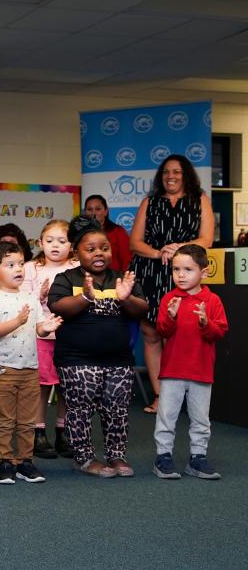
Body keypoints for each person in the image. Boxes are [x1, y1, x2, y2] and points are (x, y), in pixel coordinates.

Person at [47, 216, 148, 478]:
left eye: (104, 248)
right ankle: (84, 458)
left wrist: (125, 299)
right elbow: (58, 307)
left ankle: (116, 456)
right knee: (80, 410)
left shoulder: (120, 279)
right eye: (90, 249)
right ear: (76, 252)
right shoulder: (66, 278)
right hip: (77, 360)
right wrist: (84, 297)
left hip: (118, 360)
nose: (99, 253)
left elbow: (142, 309)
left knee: (117, 410)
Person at [129, 155, 214, 415]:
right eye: (166, 172)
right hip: (150, 271)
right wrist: (158, 252)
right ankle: (160, 397)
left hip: (185, 273)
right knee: (151, 333)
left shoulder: (199, 199)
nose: (171, 176)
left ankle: (183, 399)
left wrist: (181, 251)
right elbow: (135, 243)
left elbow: (207, 239)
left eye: (176, 171)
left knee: (177, 335)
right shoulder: (149, 202)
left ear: (185, 174)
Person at [0, 241, 63, 484]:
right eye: (10, 265)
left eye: (20, 264)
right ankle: (5, 461)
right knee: (5, 419)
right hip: (2, 368)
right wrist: (18, 321)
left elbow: (38, 327)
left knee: (28, 420)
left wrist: (47, 328)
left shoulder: (30, 297)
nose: (19, 269)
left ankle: (25, 461)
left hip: (30, 368)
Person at [153, 244, 229, 480]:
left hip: (201, 370)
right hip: (173, 370)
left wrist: (206, 322)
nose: (181, 275)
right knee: (167, 416)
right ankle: (163, 457)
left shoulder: (212, 300)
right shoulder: (169, 298)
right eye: (176, 269)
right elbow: (162, 331)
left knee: (200, 419)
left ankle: (198, 458)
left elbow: (219, 332)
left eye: (188, 269)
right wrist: (172, 316)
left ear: (204, 272)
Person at [21, 219, 79, 459]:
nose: (55, 245)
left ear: (72, 245)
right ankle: (38, 432)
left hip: (70, 334)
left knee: (67, 385)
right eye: (50, 240)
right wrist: (40, 294)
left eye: (62, 241)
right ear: (40, 242)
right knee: (42, 386)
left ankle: (63, 430)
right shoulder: (31, 268)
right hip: (41, 334)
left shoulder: (77, 267)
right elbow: (22, 301)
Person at [83, 195, 131, 272]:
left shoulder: (118, 231)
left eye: (98, 209)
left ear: (106, 211)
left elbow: (127, 260)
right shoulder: (80, 233)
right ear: (85, 212)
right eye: (89, 209)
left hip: (114, 279)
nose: (93, 213)